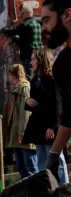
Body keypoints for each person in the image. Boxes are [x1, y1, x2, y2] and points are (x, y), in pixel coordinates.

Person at [22, 49, 69, 184]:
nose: (31, 62)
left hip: (49, 127)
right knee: (42, 160)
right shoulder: (35, 79)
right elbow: (36, 102)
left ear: (42, 60)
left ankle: (63, 187)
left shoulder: (52, 78)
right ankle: (47, 188)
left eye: (34, 59)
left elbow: (57, 103)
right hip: (38, 127)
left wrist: (53, 126)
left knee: (55, 158)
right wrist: (27, 102)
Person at [42, 0, 71, 180]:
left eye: (47, 20)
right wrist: (53, 156)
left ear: (67, 15)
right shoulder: (61, 65)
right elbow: (69, 114)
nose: (44, 28)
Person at [3, 64, 38, 179]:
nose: (9, 78)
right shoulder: (15, 90)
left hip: (23, 136)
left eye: (10, 75)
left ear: (14, 75)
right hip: (16, 137)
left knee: (31, 167)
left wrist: (23, 133)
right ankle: (26, 193)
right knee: (21, 167)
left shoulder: (24, 88)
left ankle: (37, 194)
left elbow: (26, 112)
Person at [4, 7, 43, 77]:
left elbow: (12, 32)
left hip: (28, 56)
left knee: (30, 76)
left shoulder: (25, 25)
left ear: (28, 13)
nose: (20, 16)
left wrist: (5, 30)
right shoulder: (38, 24)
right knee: (40, 74)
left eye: (22, 13)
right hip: (40, 54)